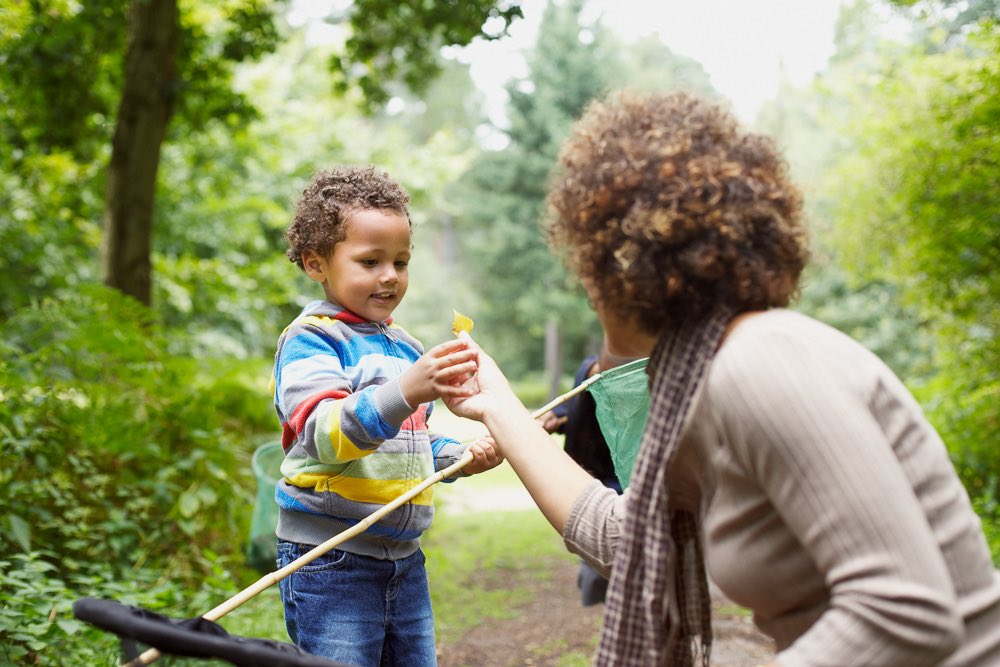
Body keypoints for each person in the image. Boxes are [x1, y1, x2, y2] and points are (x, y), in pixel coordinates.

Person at [445, 90, 1000, 666]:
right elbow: (621, 538)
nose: (587, 289)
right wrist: (499, 406)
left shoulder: (761, 362)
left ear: (624, 267)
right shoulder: (702, 388)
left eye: (588, 264)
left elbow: (904, 613)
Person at [271, 165, 503, 667]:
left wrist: (458, 456)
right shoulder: (312, 340)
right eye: (370, 260)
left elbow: (409, 444)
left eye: (401, 261)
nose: (390, 276)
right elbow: (326, 436)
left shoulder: (406, 347)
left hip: (403, 560)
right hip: (330, 559)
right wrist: (404, 390)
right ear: (316, 264)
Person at [539, 343, 630, 606]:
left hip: (622, 483)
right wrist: (555, 416)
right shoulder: (589, 371)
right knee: (595, 571)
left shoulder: (638, 382)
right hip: (588, 480)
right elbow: (572, 408)